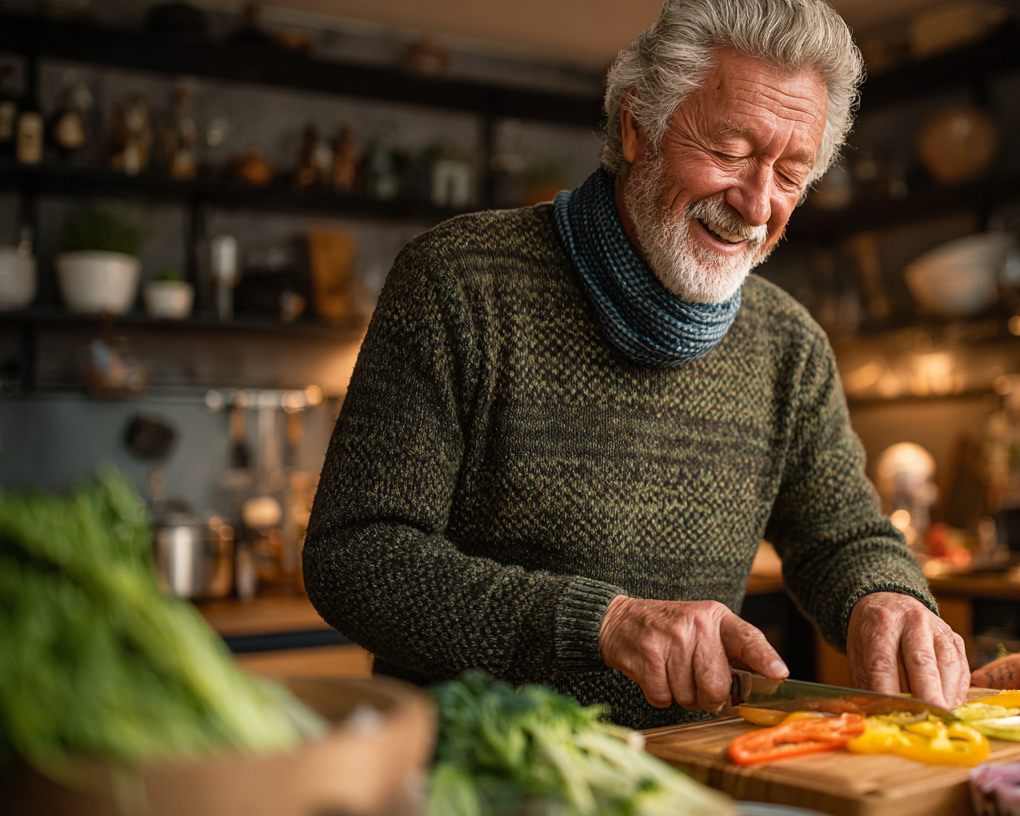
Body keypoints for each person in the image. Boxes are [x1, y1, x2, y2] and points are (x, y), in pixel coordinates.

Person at [303, 0, 969, 729]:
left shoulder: (789, 344)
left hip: (686, 778)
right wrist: (604, 624)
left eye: (789, 172)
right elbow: (355, 556)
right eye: (731, 150)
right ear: (636, 125)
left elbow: (842, 538)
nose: (755, 203)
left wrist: (886, 596)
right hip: (478, 769)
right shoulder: (458, 282)